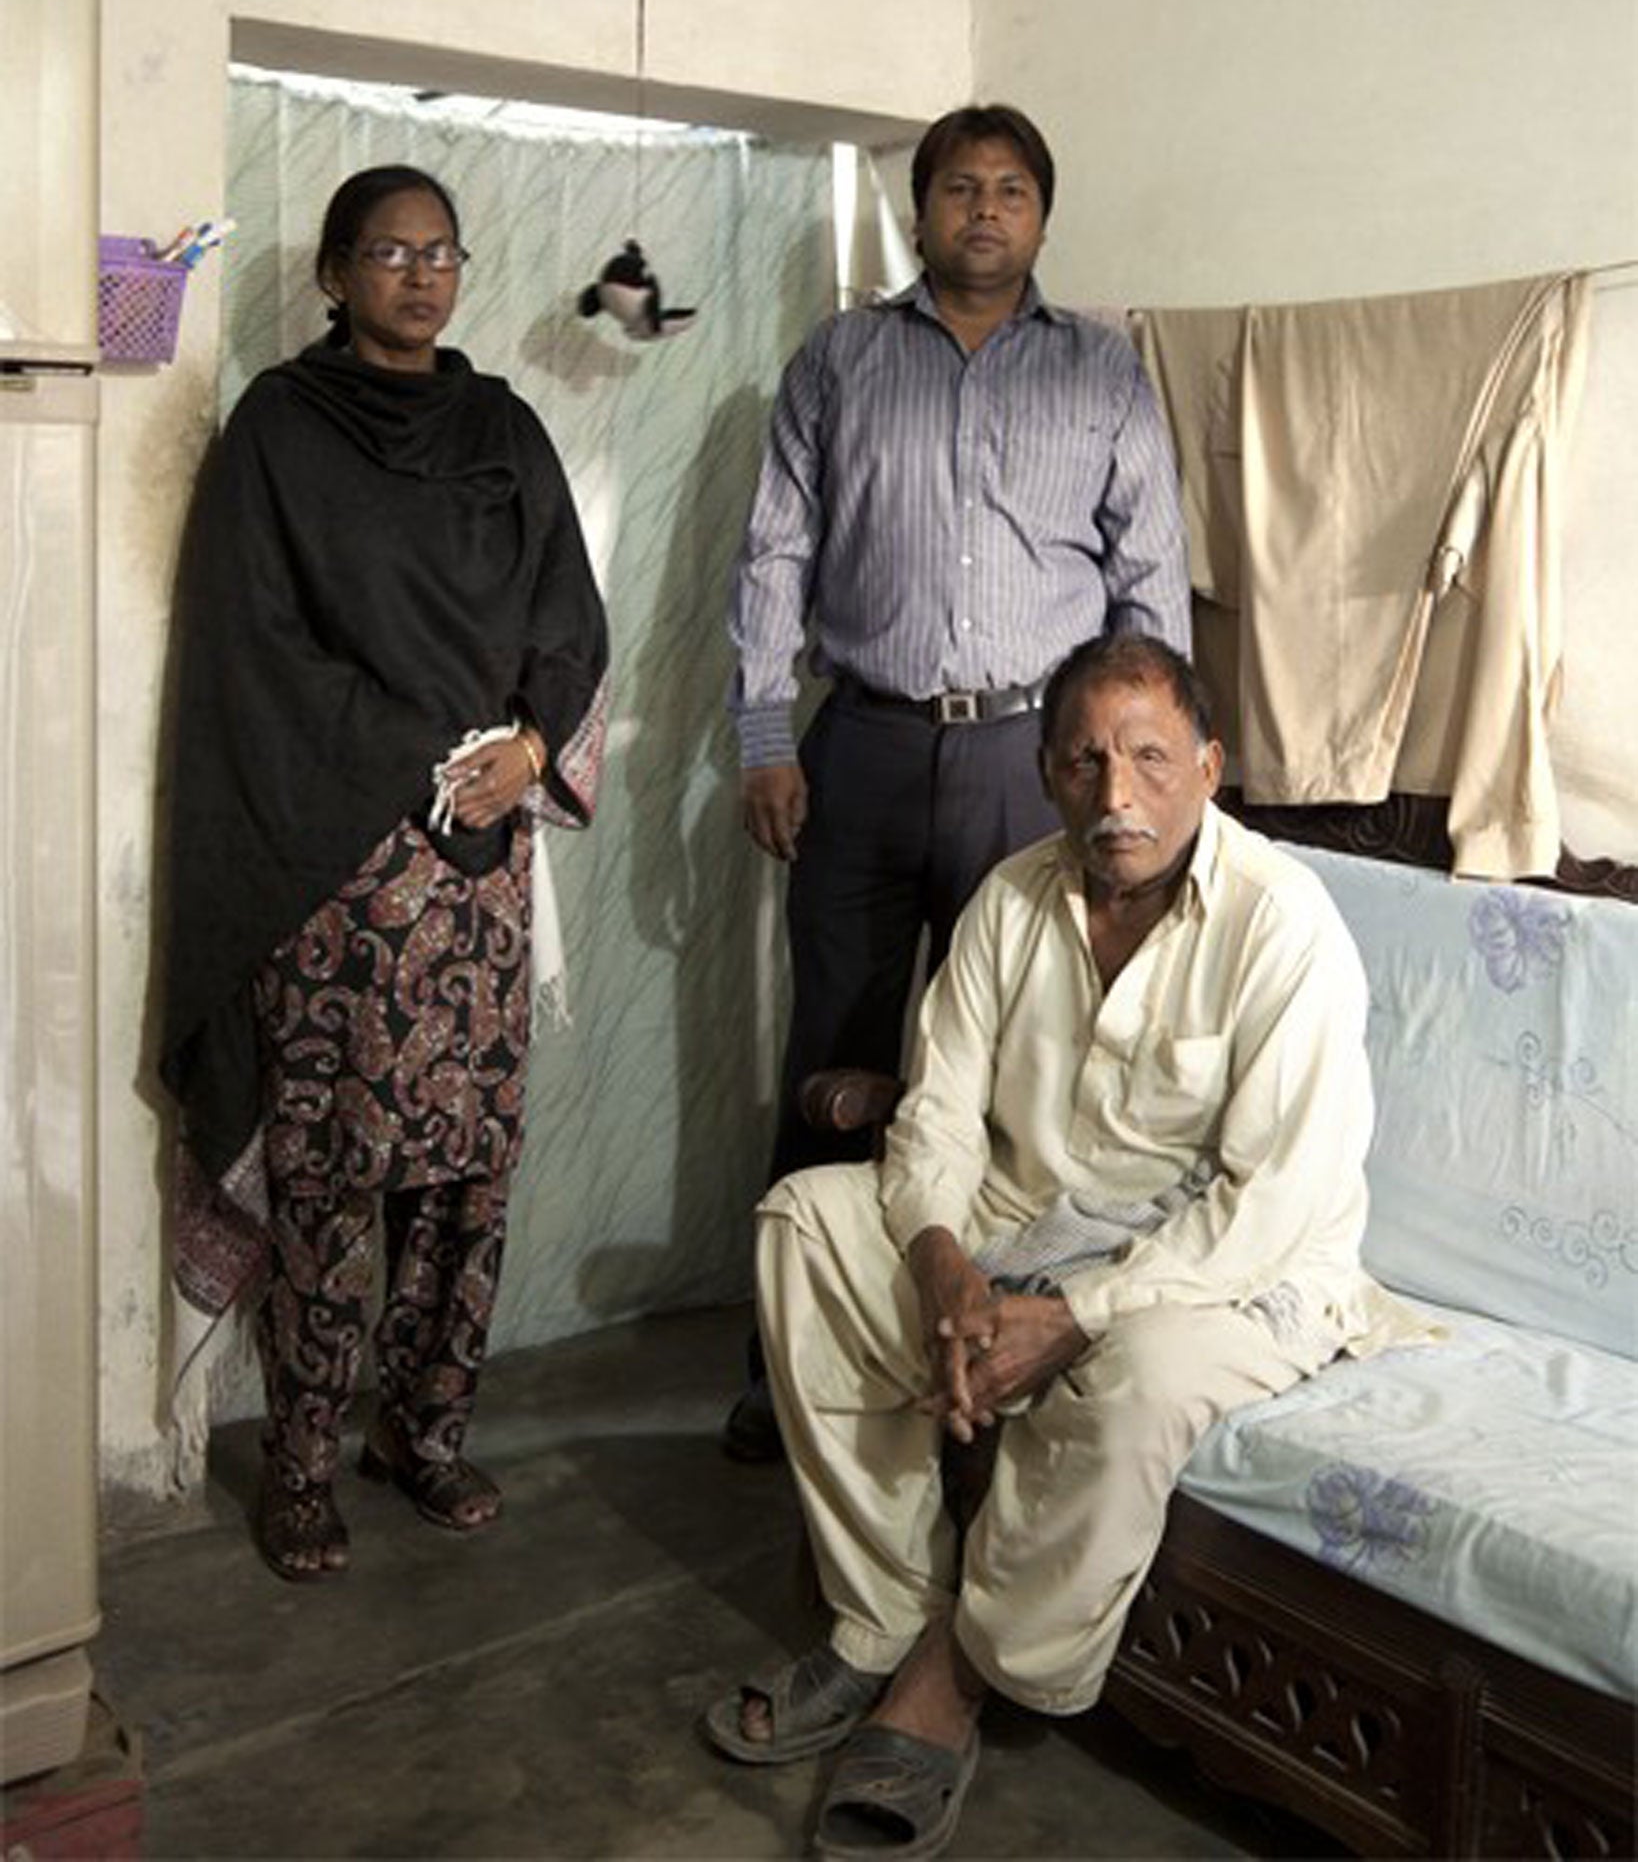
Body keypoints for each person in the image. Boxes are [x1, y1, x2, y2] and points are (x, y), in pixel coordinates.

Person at [704, 634, 1420, 1860]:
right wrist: (939, 1254)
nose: (1117, 792)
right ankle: (881, 1611)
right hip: (1026, 1225)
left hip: (1225, 1268)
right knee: (805, 1220)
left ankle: (959, 1666)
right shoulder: (1012, 897)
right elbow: (934, 1108)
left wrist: (1075, 1315)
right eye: (1085, 759)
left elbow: (1272, 1201)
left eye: (1149, 756)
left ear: (1209, 764)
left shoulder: (1282, 924)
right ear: (1045, 771)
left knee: (1138, 1381)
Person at [159, 165, 609, 1582]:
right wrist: (422, 748)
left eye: (439, 252)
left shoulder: (503, 429)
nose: (418, 276)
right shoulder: (279, 437)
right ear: (336, 275)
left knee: (466, 1179)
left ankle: (421, 1434)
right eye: (386, 253)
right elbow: (253, 651)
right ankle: (298, 1468)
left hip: (476, 874)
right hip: (335, 869)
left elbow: (568, 619)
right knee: (332, 1178)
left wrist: (530, 751)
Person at [724, 103, 1189, 1459]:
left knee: (1007, 1069)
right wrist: (763, 737)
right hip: (859, 748)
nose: (983, 211)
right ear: (918, 211)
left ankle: (982, 1353)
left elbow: (1146, 578)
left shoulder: (1100, 375)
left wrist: (1140, 774)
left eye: (1011, 191)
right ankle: (786, 1369)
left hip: (1029, 762)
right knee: (836, 1054)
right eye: (958, 189)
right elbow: (771, 557)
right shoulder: (839, 361)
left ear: (1041, 217)